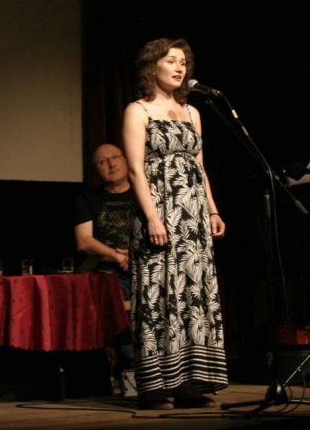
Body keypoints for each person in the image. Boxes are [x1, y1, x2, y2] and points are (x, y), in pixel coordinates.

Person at [122, 38, 228, 410]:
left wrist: (212, 211)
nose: (180, 68)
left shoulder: (191, 112)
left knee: (192, 295)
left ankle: (188, 384)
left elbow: (199, 166)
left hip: (192, 219)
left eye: (183, 62)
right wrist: (152, 217)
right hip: (159, 212)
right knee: (159, 293)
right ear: (152, 66)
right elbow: (135, 170)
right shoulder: (138, 111)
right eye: (171, 60)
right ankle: (154, 387)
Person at [73, 143, 136, 372]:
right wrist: (118, 257)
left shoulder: (144, 195)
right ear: (96, 170)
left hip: (144, 267)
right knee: (114, 292)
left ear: (126, 160)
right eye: (102, 161)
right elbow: (84, 242)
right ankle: (129, 367)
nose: (111, 164)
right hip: (106, 271)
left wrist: (135, 256)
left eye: (115, 157)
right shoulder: (89, 199)